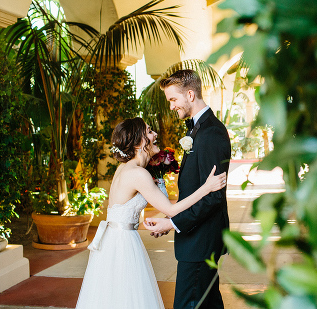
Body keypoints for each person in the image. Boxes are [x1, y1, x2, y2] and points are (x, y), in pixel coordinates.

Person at [75, 117, 228, 309]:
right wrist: (206, 188)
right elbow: (171, 209)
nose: (155, 134)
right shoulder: (138, 174)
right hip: (123, 244)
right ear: (139, 142)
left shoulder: (126, 168)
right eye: (149, 131)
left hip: (115, 240)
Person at [145, 69, 233, 309]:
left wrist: (173, 223)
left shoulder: (211, 133)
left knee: (188, 304)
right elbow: (197, 188)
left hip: (200, 240)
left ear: (191, 95)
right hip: (199, 238)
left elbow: (213, 196)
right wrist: (171, 216)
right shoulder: (196, 129)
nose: (171, 106)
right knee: (208, 303)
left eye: (173, 99)